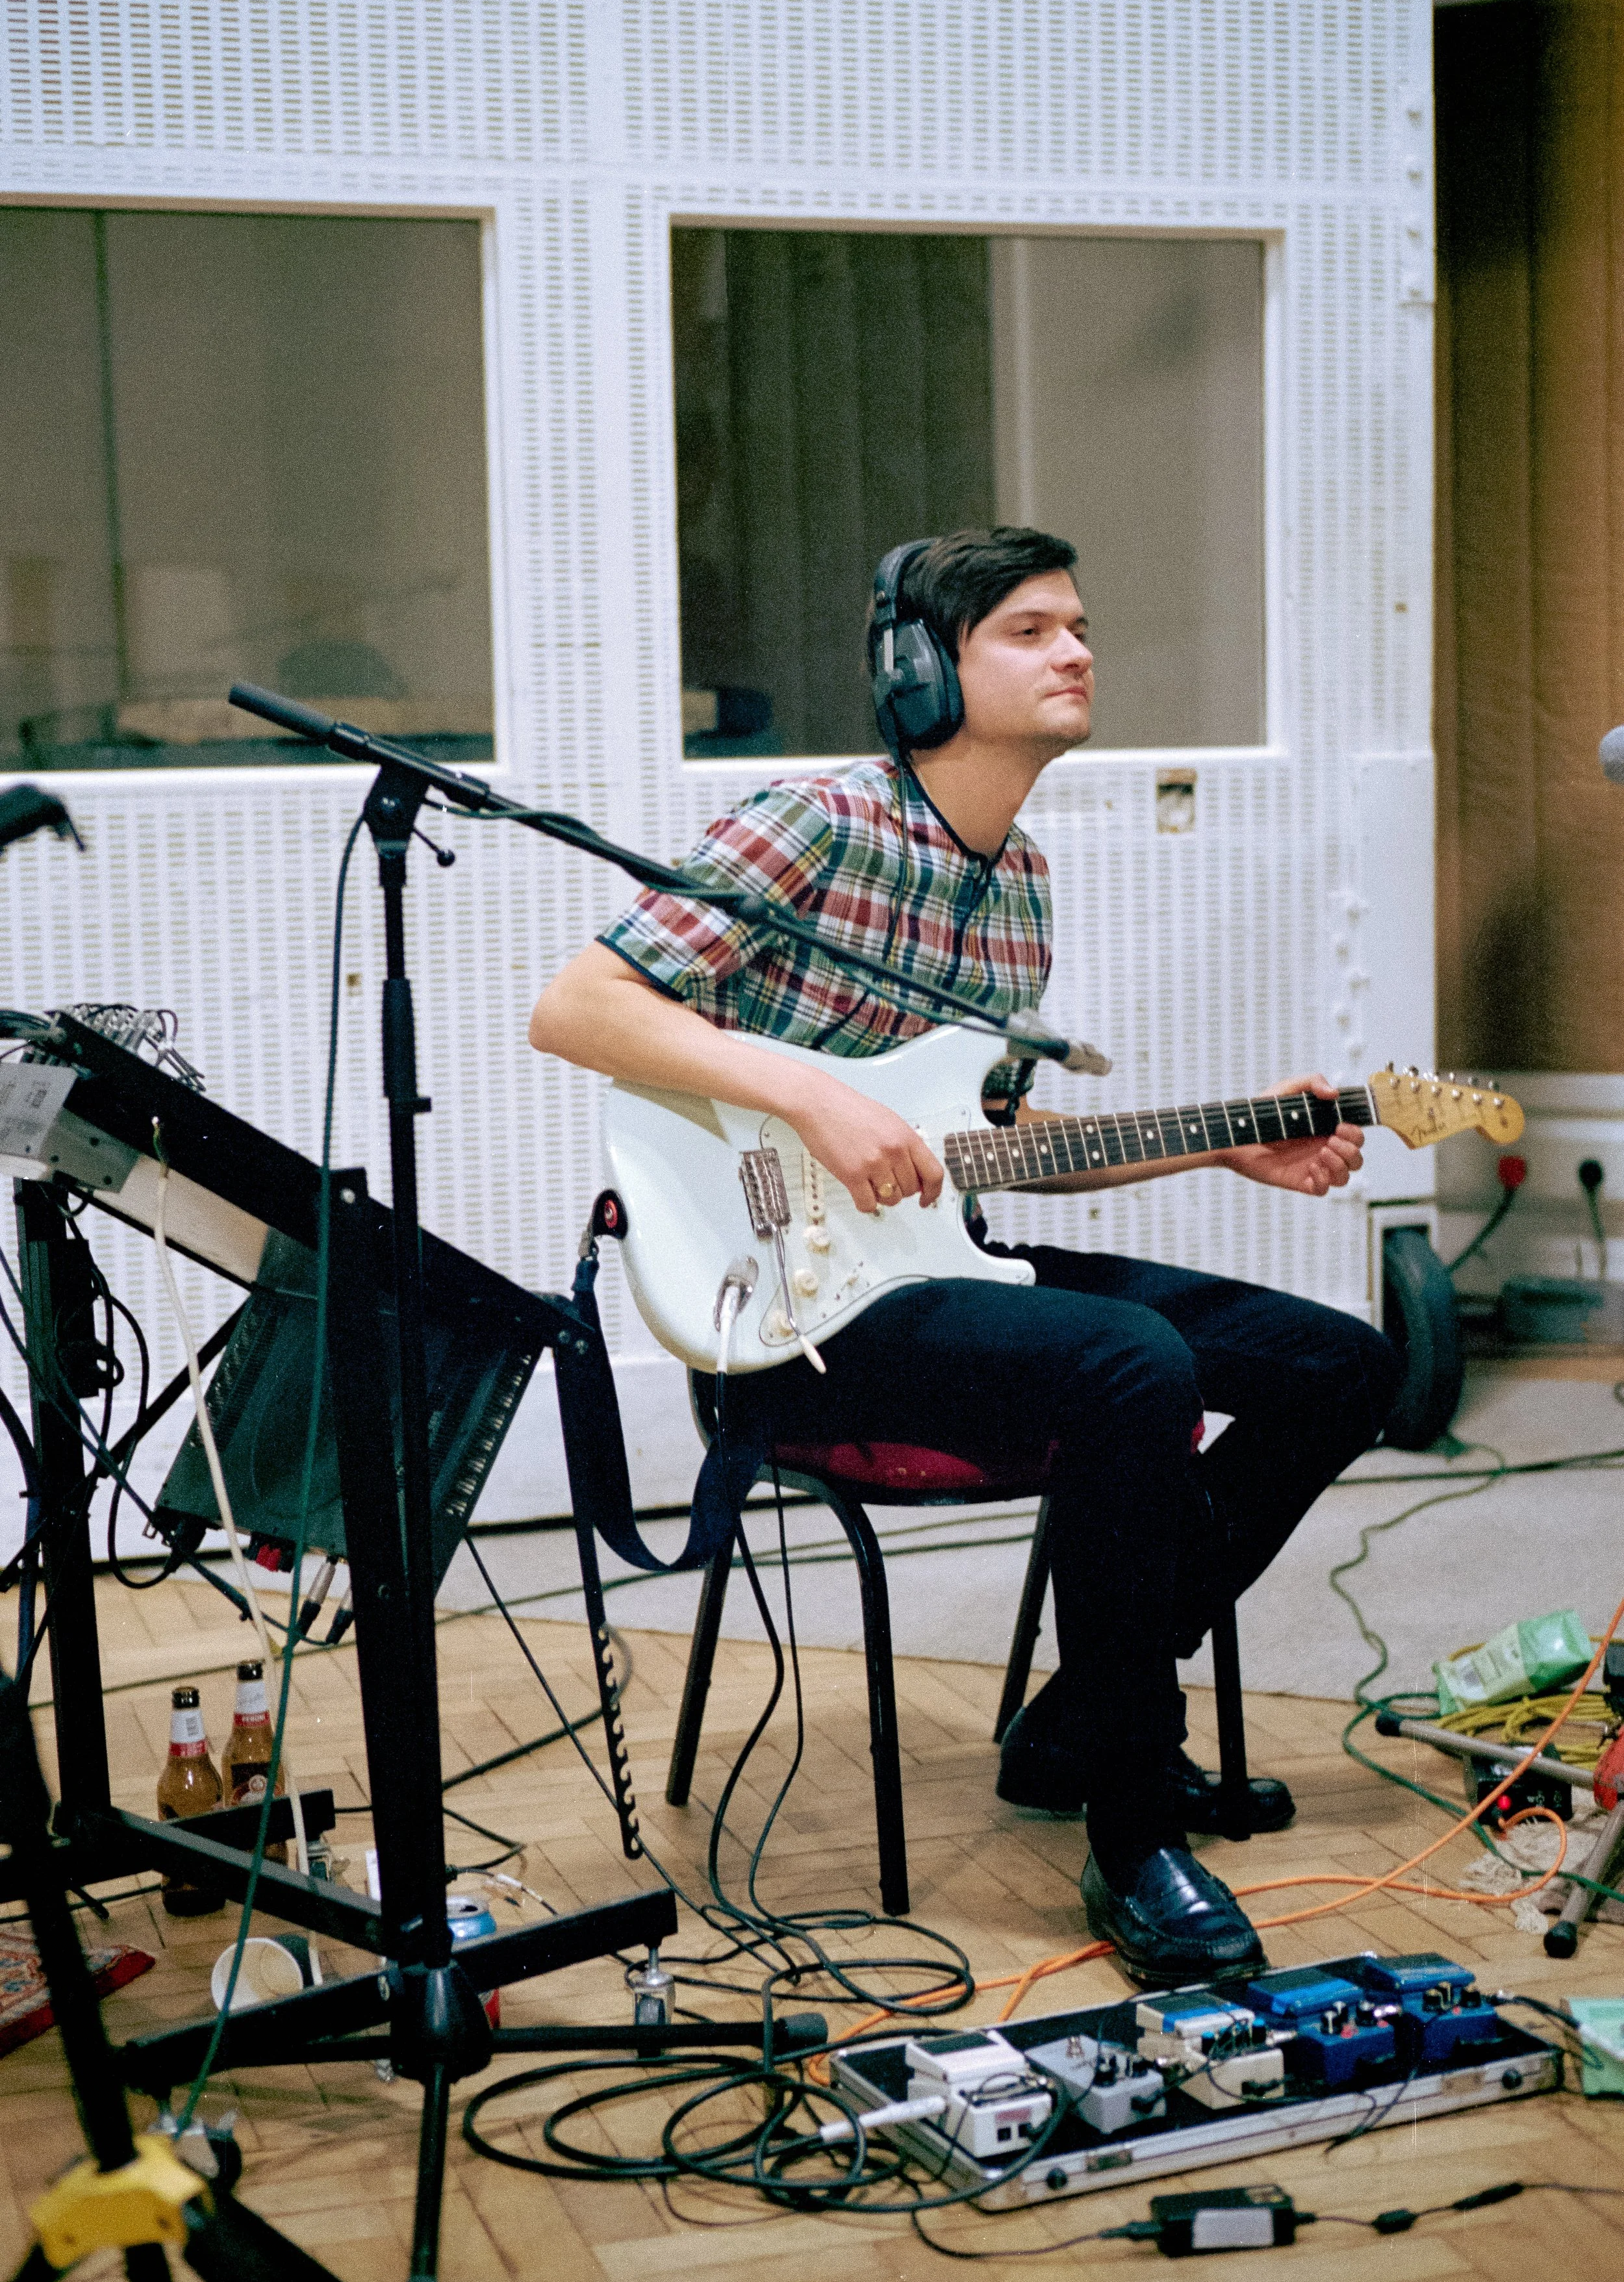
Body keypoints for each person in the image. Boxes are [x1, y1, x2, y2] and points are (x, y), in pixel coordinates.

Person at [528, 526, 1401, 1983]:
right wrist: (808, 1088)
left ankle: (1079, 1716)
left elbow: (979, 1136)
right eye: (1027, 630)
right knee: (1133, 1362)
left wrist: (1221, 1141)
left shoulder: (1020, 887)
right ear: (922, 670)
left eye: (1077, 626)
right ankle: (1132, 1831)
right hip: (787, 1311)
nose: (1074, 652)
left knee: (1339, 1362)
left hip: (937, 1268)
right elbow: (577, 1007)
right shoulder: (810, 821)